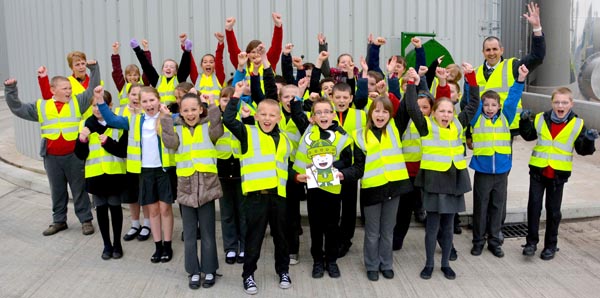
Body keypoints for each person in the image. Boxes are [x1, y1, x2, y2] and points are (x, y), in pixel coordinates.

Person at [4, 60, 100, 236]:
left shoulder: (78, 102)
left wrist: (93, 69)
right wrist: (11, 90)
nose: (69, 91)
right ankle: (59, 221)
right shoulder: (41, 106)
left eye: (70, 88)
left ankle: (86, 220)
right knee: (57, 190)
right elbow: (17, 108)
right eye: (64, 88)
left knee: (79, 189)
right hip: (52, 158)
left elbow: (93, 88)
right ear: (53, 90)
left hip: (74, 155)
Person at [405, 64, 480, 280]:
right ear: (434, 112)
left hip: (454, 180)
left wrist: (471, 77)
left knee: (448, 227)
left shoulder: (459, 124)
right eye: (441, 111)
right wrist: (411, 83)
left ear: (453, 112)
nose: (446, 114)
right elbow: (411, 107)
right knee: (432, 226)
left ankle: (445, 263)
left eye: (449, 111)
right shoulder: (425, 125)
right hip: (433, 181)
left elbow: (474, 103)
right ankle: (429, 263)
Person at [223, 82, 294, 295]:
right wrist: (236, 95)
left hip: (278, 196)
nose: (267, 118)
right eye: (262, 114)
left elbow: (284, 167)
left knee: (282, 238)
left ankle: (283, 271)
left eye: (272, 115)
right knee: (253, 239)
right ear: (256, 116)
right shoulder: (247, 133)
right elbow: (227, 119)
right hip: (255, 198)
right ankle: (248, 276)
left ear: (279, 118)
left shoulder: (285, 140)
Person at [98, 86, 176, 264]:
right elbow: (111, 119)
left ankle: (168, 245)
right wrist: (100, 100)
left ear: (159, 100)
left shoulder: (168, 117)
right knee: (153, 210)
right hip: (145, 171)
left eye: (152, 100)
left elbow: (190, 118)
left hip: (163, 170)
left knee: (165, 209)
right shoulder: (134, 120)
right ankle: (158, 246)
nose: (149, 104)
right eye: (145, 101)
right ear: (140, 104)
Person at [519, 87, 597, 260]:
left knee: (553, 211)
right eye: (557, 102)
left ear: (571, 104)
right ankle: (531, 243)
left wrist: (589, 141)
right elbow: (528, 135)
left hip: (558, 175)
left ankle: (550, 246)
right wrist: (524, 121)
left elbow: (583, 150)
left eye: (564, 102)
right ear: (552, 103)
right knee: (534, 207)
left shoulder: (578, 124)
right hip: (538, 171)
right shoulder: (540, 118)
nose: (560, 105)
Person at [161, 93, 224, 289]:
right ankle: (194, 271)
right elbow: (170, 143)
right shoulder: (176, 128)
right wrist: (164, 119)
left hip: (206, 186)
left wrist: (213, 105)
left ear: (200, 109)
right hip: (186, 187)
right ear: (180, 111)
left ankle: (210, 269)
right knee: (189, 234)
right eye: (185, 110)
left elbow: (218, 129)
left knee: (207, 233)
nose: (190, 114)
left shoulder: (209, 127)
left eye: (193, 109)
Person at [349, 92, 413, 281]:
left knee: (387, 230)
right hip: (372, 188)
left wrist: (412, 83)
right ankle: (371, 265)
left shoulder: (395, 128)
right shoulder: (360, 136)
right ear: (370, 113)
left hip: (394, 187)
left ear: (390, 115)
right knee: (372, 232)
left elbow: (407, 107)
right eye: (377, 111)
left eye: (385, 111)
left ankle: (386, 264)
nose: (381, 115)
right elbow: (358, 166)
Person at [292, 94, 354, 279]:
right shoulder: (308, 136)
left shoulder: (343, 136)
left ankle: (332, 261)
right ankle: (318, 261)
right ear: (313, 117)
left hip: (334, 191)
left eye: (327, 111)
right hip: (314, 191)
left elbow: (348, 161)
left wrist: (330, 167)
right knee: (316, 228)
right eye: (318, 112)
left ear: (334, 114)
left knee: (332, 227)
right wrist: (297, 176)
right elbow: (300, 162)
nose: (323, 115)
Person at [470, 65, 528, 258]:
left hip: (501, 171)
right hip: (483, 171)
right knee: (481, 206)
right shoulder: (477, 118)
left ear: (499, 106)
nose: (489, 108)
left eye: (493, 105)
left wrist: (520, 79)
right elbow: (473, 101)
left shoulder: (506, 117)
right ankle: (478, 241)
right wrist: (471, 77)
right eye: (486, 105)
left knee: (497, 206)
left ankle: (495, 240)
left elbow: (512, 99)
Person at [74, 89, 127, 260]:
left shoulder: (118, 124)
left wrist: (108, 143)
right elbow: (80, 155)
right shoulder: (84, 125)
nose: (97, 109)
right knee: (101, 211)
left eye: (101, 105)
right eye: (94, 105)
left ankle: (117, 243)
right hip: (96, 175)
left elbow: (123, 151)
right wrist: (82, 140)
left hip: (114, 174)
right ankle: (106, 244)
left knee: (115, 208)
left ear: (109, 106)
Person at [476, 2, 545, 132]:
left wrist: (536, 28)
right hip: (482, 127)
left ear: (502, 50)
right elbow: (470, 102)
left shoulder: (513, 66)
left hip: (507, 125)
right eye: (488, 50)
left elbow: (537, 56)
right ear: (483, 52)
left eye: (495, 49)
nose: (491, 53)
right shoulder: (475, 73)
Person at [114, 83, 152, 242]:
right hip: (126, 160)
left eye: (139, 95)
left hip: (145, 162)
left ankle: (147, 224)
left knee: (145, 194)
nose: (135, 97)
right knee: (131, 195)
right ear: (127, 95)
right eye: (133, 94)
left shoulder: (148, 113)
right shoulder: (119, 111)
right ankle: (135, 224)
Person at [215, 86, 247, 265]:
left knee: (242, 212)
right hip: (222, 169)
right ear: (219, 101)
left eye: (230, 99)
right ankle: (230, 248)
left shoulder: (241, 117)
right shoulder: (214, 118)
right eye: (224, 99)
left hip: (241, 169)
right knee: (227, 212)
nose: (227, 103)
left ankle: (243, 246)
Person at [224, 13, 283, 93]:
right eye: (253, 52)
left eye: (259, 51)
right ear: (247, 54)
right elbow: (232, 49)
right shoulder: (243, 64)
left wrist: (278, 26)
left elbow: (276, 47)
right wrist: (229, 30)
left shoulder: (269, 62)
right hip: (247, 103)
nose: (256, 54)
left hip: (267, 101)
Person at [131, 37, 191, 106]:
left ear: (176, 71)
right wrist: (137, 50)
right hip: (160, 112)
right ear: (162, 70)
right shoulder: (157, 80)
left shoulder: (179, 79)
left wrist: (187, 52)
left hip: (174, 113)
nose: (168, 68)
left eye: (171, 67)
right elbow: (147, 67)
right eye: (166, 67)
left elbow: (185, 66)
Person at [111, 40, 151, 106]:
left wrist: (146, 49)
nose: (132, 77)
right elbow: (117, 71)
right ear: (125, 77)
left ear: (139, 76)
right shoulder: (121, 86)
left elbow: (148, 68)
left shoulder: (144, 84)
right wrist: (115, 53)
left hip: (140, 115)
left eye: (135, 75)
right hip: (125, 115)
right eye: (129, 75)